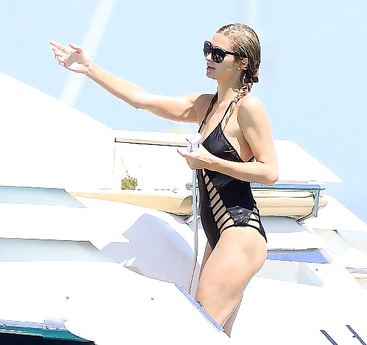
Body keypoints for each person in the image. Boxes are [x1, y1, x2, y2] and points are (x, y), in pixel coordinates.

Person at [49, 23, 278, 336]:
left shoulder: (248, 107)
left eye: (218, 53)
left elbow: (269, 171)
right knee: (217, 337)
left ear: (242, 63)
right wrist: (90, 68)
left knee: (197, 333)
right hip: (220, 236)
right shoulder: (205, 105)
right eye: (207, 49)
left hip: (239, 231)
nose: (208, 57)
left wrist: (211, 162)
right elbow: (141, 100)